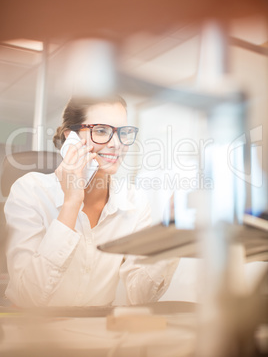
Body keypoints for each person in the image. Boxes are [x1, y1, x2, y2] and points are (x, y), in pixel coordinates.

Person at [4, 95, 179, 307]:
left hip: (96, 333)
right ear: (71, 138)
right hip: (33, 333)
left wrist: (171, 236)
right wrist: (71, 202)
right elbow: (27, 299)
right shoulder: (30, 191)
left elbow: (140, 296)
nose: (116, 144)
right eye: (102, 131)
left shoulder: (135, 201)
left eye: (122, 132)